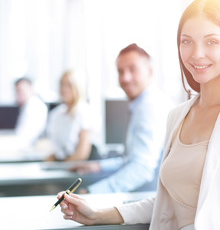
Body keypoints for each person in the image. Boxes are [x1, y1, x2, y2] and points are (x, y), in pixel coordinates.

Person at [58, 0, 220, 230]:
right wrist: (97, 214)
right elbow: (166, 204)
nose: (196, 53)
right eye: (187, 41)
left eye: (211, 41)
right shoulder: (177, 116)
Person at [71, 43, 174, 193]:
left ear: (150, 71)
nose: (125, 78)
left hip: (149, 199)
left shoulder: (149, 107)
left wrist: (93, 192)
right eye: (120, 72)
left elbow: (141, 168)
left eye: (133, 70)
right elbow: (133, 159)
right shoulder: (143, 103)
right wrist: (99, 166)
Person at [46, 70, 100, 161]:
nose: (64, 89)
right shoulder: (56, 114)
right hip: (64, 163)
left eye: (69, 85)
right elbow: (57, 150)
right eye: (62, 84)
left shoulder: (85, 113)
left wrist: (60, 166)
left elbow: (82, 154)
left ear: (78, 87)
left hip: (81, 167)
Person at [0, 77, 48, 152]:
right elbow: (19, 133)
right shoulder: (27, 106)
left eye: (21, 91)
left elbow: (24, 140)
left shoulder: (34, 107)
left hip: (30, 153)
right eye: (16, 91)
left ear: (31, 89)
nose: (18, 95)